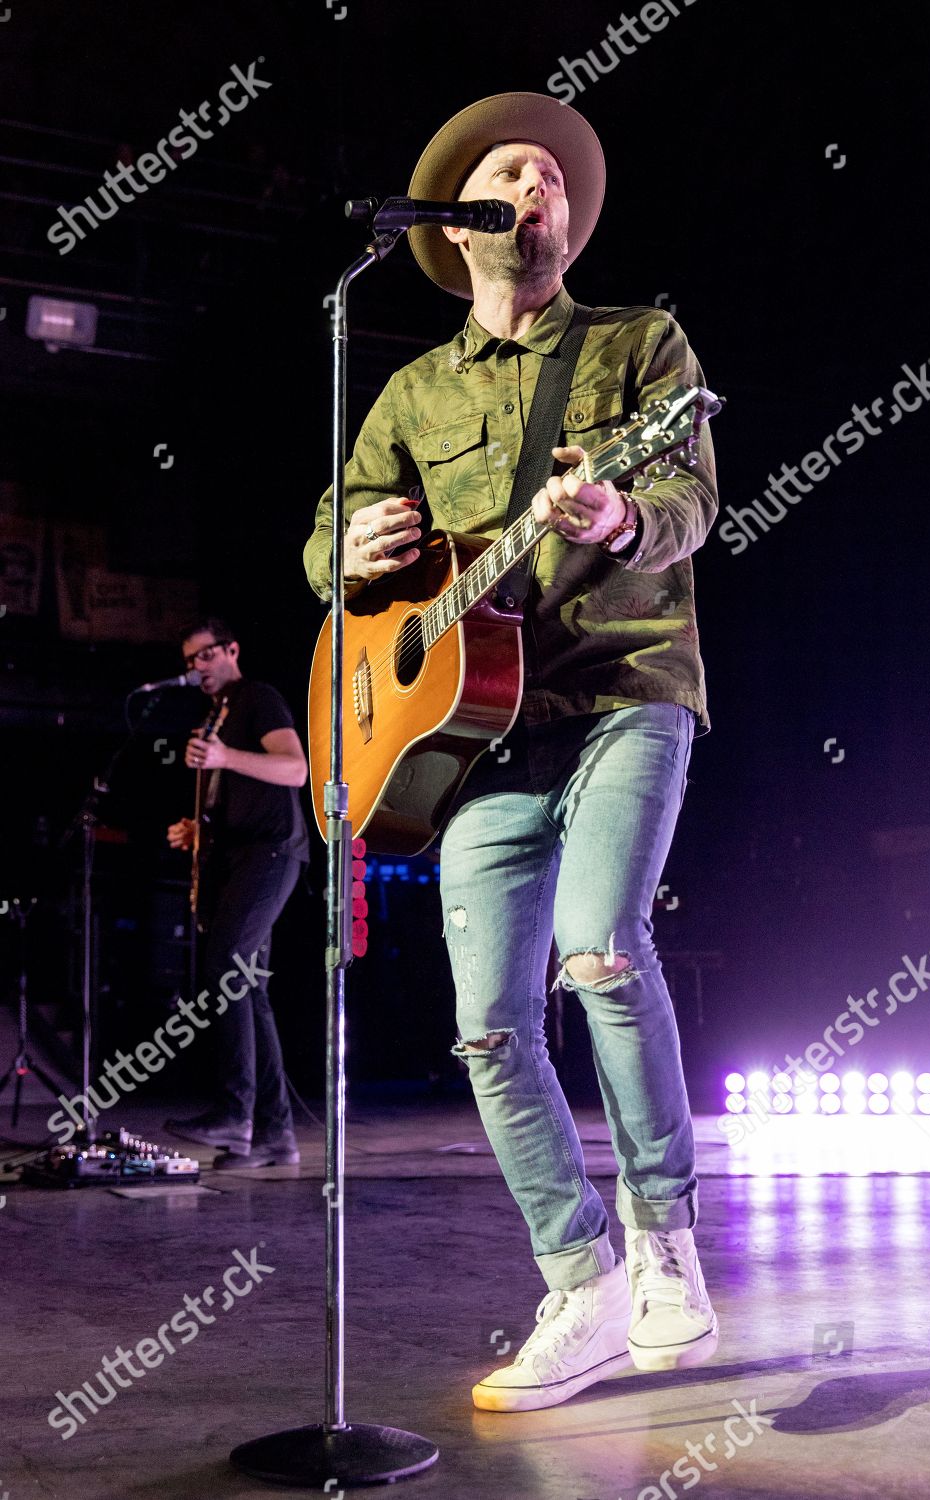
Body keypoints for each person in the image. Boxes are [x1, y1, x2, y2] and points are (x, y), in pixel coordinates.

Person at [303, 92, 720, 1411]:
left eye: (549, 176)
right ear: (460, 223)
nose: (531, 186)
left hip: (622, 689)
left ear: (567, 219)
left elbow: (691, 500)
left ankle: (665, 1245)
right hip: (476, 732)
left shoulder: (639, 340)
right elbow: (332, 531)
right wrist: (348, 554)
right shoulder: (413, 390)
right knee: (488, 1030)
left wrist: (617, 508)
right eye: (506, 174)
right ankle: (580, 1282)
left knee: (600, 945)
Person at [163, 617, 310, 1169]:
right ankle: (273, 1134)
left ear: (231, 649)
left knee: (226, 967)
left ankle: (235, 1112)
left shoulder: (258, 698)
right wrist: (197, 831)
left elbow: (295, 770)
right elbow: (237, 797)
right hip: (242, 855)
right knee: (249, 989)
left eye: (204, 656)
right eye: (189, 661)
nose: (195, 668)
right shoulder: (214, 716)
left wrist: (224, 757)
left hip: (272, 854)